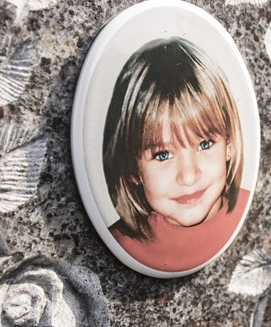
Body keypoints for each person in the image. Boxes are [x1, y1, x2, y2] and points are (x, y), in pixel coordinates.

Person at [103, 37, 249, 272]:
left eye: (204, 144)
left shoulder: (249, 212)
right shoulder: (119, 243)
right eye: (162, 155)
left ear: (229, 143)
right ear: (132, 170)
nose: (189, 177)